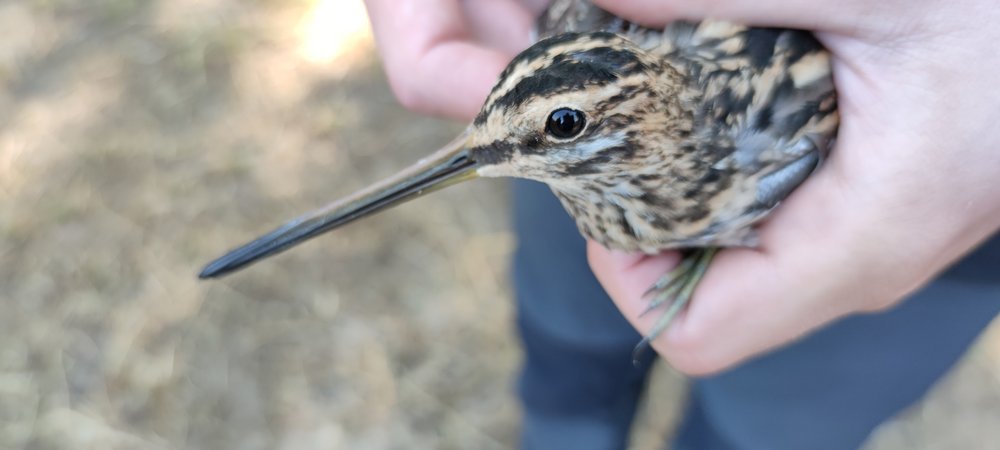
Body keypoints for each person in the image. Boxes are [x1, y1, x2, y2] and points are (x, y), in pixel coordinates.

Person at [363, 0, 1000, 448]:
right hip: (595, 167)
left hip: (944, 184)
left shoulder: (766, 140)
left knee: (773, 424)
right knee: (567, 337)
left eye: (562, 127)